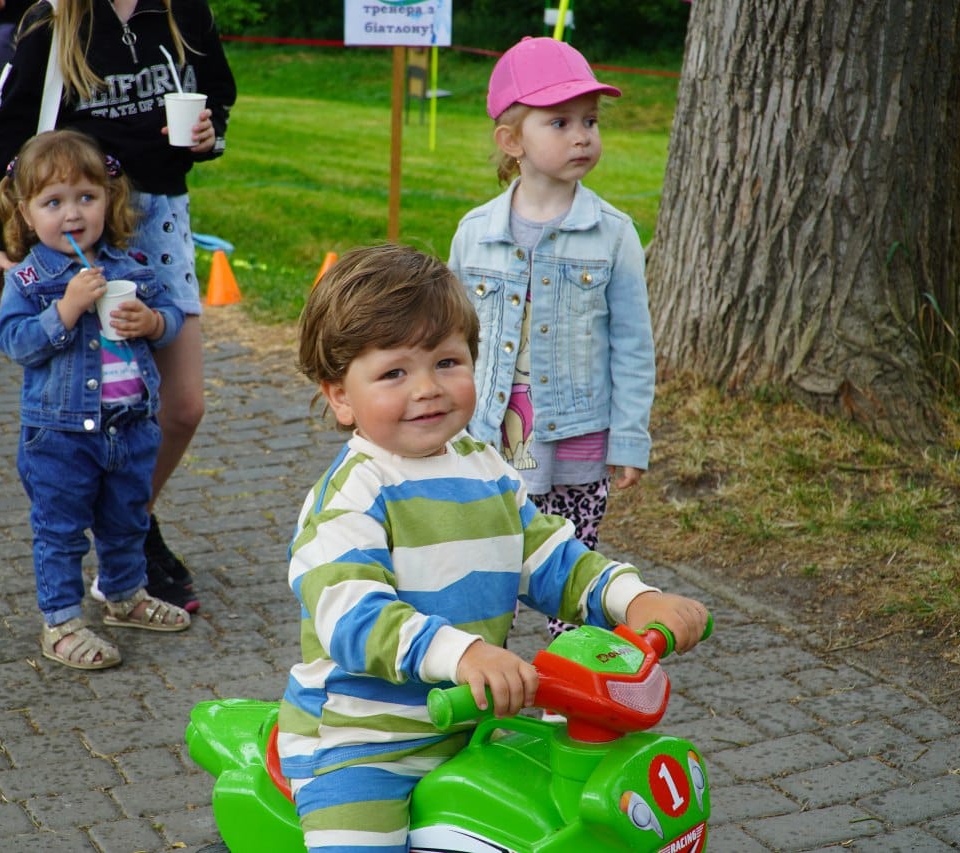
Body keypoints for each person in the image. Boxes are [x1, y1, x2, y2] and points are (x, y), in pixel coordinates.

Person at [276, 244, 710, 852]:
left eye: (447, 361)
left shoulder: (487, 469)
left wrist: (634, 599)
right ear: (341, 396)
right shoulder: (352, 495)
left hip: (473, 722)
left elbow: (553, 559)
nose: (427, 388)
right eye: (395, 372)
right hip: (366, 743)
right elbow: (353, 617)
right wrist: (464, 654)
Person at [0, 0, 236, 612]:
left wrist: (208, 134)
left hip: (156, 224)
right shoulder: (55, 19)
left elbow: (217, 94)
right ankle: (122, 551)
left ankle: (129, 523)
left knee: (182, 405)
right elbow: (3, 131)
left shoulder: (182, 12)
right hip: (73, 227)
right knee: (90, 397)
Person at [447, 37, 656, 642]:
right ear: (512, 140)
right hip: (493, 440)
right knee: (491, 570)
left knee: (573, 575)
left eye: (590, 121)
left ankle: (574, 699)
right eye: (559, 122)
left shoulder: (612, 234)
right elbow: (453, 340)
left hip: (579, 441)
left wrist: (630, 437)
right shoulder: (475, 234)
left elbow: (633, 345)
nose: (582, 136)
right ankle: (488, 686)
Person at [0, 128, 190, 670]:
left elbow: (171, 319)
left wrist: (151, 322)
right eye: (53, 202)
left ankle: (124, 595)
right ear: (28, 214)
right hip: (59, 437)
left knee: (128, 518)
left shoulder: (129, 268)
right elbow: (15, 342)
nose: (73, 214)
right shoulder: (31, 278)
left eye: (86, 197)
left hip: (130, 427)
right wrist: (66, 309)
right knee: (59, 530)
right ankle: (60, 622)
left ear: (110, 199)